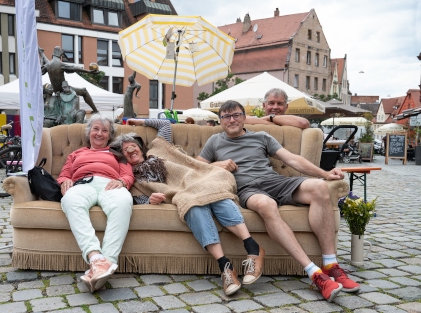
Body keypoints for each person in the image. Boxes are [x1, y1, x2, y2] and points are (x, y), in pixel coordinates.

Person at [197, 100, 360, 303]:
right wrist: (216, 164)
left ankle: (331, 265)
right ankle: (315, 274)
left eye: (236, 115)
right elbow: (195, 167)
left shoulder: (261, 136)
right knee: (267, 205)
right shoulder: (215, 141)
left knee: (319, 188)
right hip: (248, 190)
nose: (232, 119)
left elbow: (292, 159)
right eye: (226, 116)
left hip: (275, 182)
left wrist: (324, 174)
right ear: (220, 121)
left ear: (244, 117)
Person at [111, 119, 265, 296]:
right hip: (182, 194)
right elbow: (136, 199)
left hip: (199, 179)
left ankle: (253, 248)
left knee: (214, 192)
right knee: (192, 207)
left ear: (140, 147)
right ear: (123, 157)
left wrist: (138, 120)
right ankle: (226, 268)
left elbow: (164, 125)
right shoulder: (133, 178)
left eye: (133, 146)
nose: (130, 151)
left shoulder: (158, 148)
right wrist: (150, 200)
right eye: (125, 150)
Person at [57, 113, 134, 293]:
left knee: (123, 201)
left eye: (104, 130)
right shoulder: (76, 153)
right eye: (96, 129)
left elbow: (127, 173)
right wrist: (65, 181)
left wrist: (123, 182)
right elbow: (64, 174)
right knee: (69, 199)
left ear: (109, 135)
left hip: (110, 184)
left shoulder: (116, 153)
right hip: (83, 184)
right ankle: (95, 256)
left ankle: (102, 265)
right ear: (89, 132)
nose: (99, 133)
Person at [244, 88, 310, 129]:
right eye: (271, 103)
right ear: (264, 106)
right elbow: (241, 120)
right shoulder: (256, 119)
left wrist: (269, 118)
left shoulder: (292, 122)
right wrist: (271, 122)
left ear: (286, 107)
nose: (275, 107)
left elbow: (304, 123)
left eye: (280, 104)